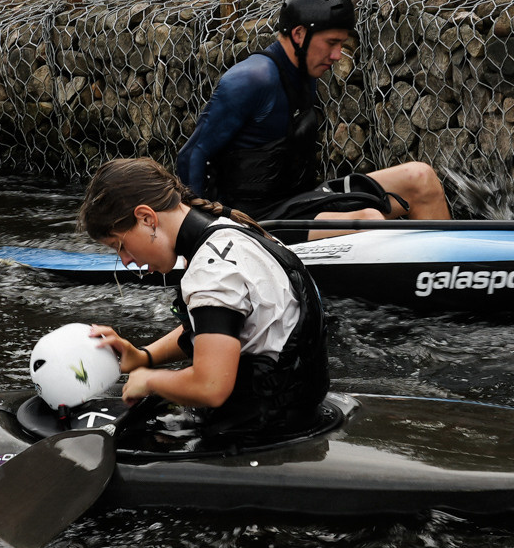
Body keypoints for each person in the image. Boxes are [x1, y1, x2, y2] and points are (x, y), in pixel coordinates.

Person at [77, 158, 331, 445]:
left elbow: (210, 387)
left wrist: (149, 380)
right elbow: (222, 330)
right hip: (301, 412)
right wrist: (143, 356)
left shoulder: (211, 271)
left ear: (147, 217)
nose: (125, 261)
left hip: (261, 432)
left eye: (120, 246)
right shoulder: (232, 229)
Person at [176, 0, 450, 233]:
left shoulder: (304, 70)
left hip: (300, 203)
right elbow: (192, 156)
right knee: (369, 221)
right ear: (299, 34)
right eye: (331, 43)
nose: (337, 55)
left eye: (341, 44)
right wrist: (201, 236)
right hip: (255, 221)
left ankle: (449, 278)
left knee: (421, 178)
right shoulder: (251, 79)